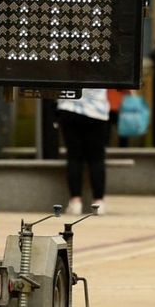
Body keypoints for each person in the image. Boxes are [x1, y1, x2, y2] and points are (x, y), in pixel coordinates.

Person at [55, 88, 112, 217]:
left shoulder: (67, 66)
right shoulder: (102, 66)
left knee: (74, 157)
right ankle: (98, 202)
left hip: (69, 107)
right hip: (97, 109)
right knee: (97, 158)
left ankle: (75, 201)